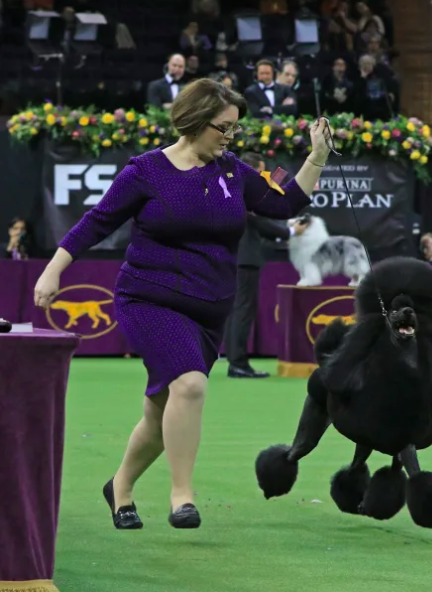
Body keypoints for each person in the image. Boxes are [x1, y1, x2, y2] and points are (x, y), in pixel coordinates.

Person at [33, 78, 329, 530]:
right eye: (223, 128)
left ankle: (120, 488)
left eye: (234, 130)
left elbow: (286, 203)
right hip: (150, 298)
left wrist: (317, 157)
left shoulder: (234, 171)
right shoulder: (146, 171)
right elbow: (97, 222)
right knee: (189, 386)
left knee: (160, 412)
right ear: (194, 121)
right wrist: (54, 268)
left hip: (209, 308)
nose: (230, 138)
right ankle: (182, 495)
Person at [225, 152, 309, 378]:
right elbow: (260, 222)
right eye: (261, 171)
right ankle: (238, 365)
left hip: (233, 257)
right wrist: (290, 231)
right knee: (242, 311)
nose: (265, 177)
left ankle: (234, 360)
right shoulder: (243, 192)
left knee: (236, 311)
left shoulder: (232, 187)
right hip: (244, 259)